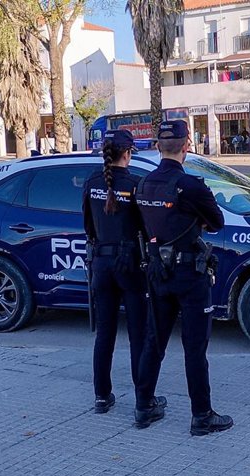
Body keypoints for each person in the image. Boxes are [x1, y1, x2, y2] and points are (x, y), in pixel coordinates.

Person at [133, 120, 233, 436]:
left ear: (159, 147)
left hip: (158, 272)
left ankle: (144, 406)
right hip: (190, 275)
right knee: (194, 347)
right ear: (187, 146)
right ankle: (201, 416)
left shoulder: (144, 184)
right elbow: (217, 222)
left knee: (154, 340)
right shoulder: (191, 186)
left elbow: (145, 227)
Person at [82, 129, 167, 415]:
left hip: (101, 264)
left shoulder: (92, 182)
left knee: (104, 333)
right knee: (138, 335)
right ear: (128, 153)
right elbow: (147, 227)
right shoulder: (134, 184)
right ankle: (145, 398)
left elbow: (88, 227)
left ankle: (101, 396)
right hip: (129, 265)